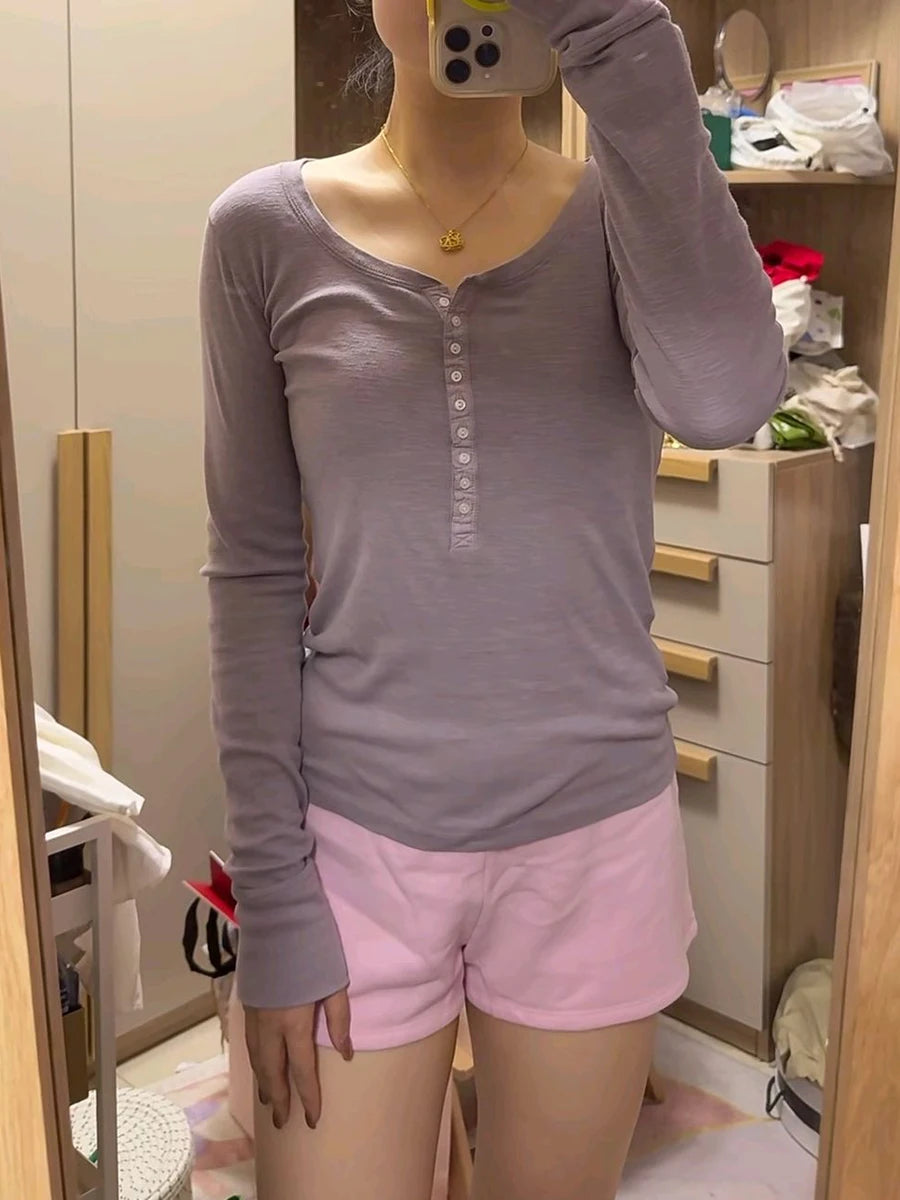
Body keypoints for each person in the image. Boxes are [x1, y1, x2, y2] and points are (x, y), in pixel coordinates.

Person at [199, 0, 785, 1196]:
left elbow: (726, 403)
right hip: (354, 840)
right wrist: (273, 888)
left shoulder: (627, 215)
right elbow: (252, 569)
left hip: (596, 835)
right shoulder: (260, 231)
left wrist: (625, 42)